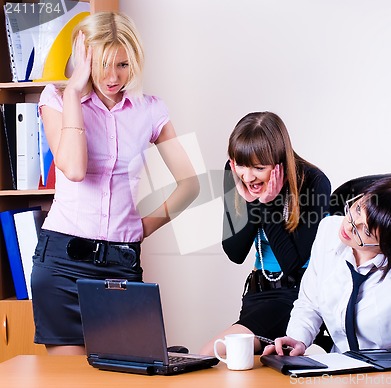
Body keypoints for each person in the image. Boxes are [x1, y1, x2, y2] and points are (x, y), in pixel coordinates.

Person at [31, 12, 199, 355]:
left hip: (119, 264)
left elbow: (190, 184)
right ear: (84, 59)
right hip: (61, 264)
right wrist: (76, 90)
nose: (112, 77)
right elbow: (74, 169)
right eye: (103, 64)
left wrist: (143, 226)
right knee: (71, 382)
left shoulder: (150, 110)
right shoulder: (57, 99)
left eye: (122, 64)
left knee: (126, 371)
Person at [262, 176, 391, 358]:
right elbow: (310, 302)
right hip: (338, 368)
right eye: (358, 209)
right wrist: (297, 339)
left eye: (365, 230)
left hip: (390, 374)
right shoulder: (329, 231)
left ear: (390, 244)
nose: (350, 225)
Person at [200, 111, 331, 356]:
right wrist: (252, 201)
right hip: (256, 296)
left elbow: (292, 263)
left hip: (296, 297)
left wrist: (265, 204)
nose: (248, 176)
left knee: (213, 353)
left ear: (278, 162)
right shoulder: (236, 176)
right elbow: (235, 252)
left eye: (259, 168)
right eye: (240, 165)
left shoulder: (313, 182)